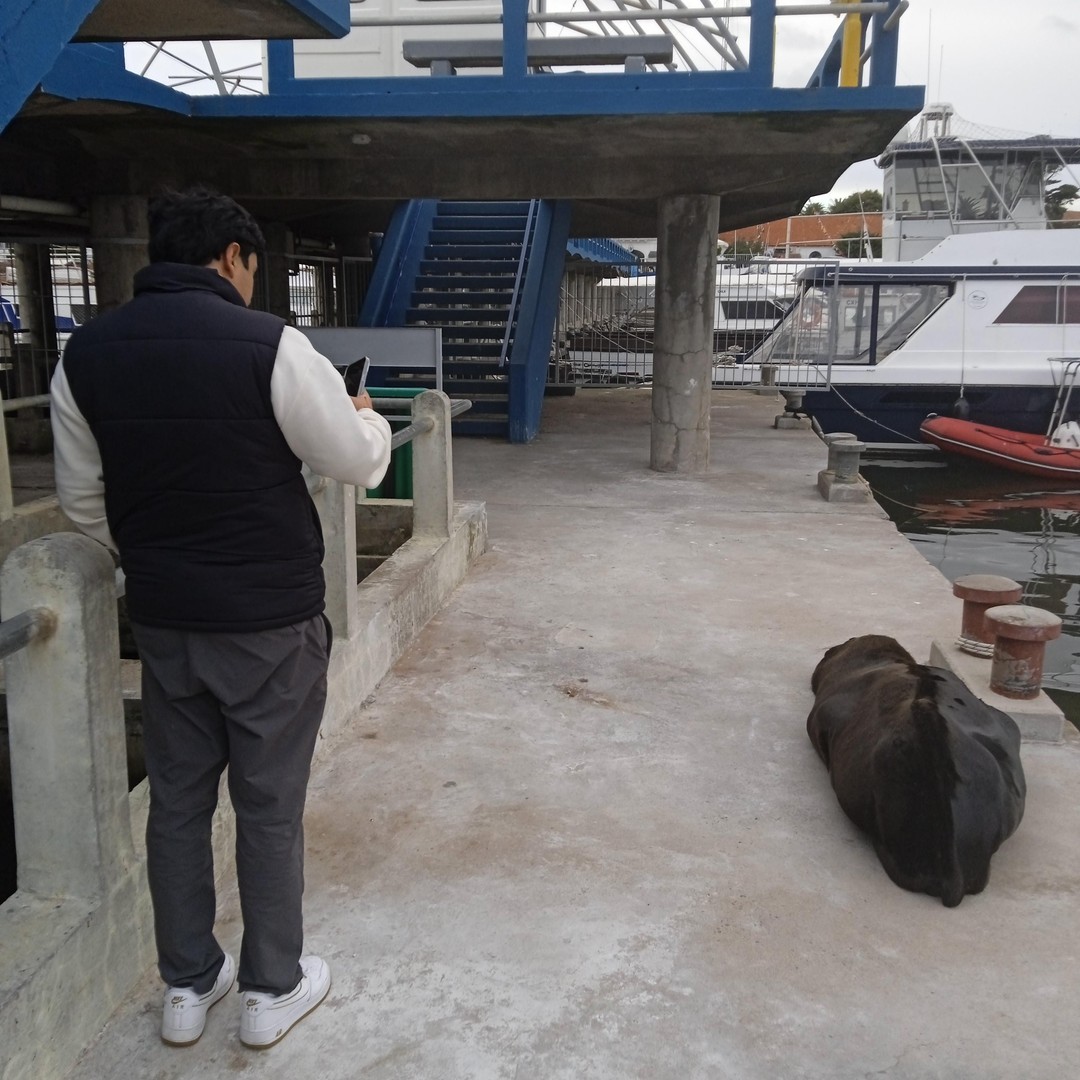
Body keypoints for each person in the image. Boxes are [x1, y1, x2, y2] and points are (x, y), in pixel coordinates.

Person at [50, 188, 392, 1049]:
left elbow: (83, 501)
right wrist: (368, 419)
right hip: (270, 622)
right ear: (234, 258)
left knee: (176, 802)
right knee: (267, 805)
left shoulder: (84, 354)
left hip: (167, 621)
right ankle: (271, 990)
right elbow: (355, 464)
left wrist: (152, 558)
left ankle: (188, 983)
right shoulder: (271, 344)